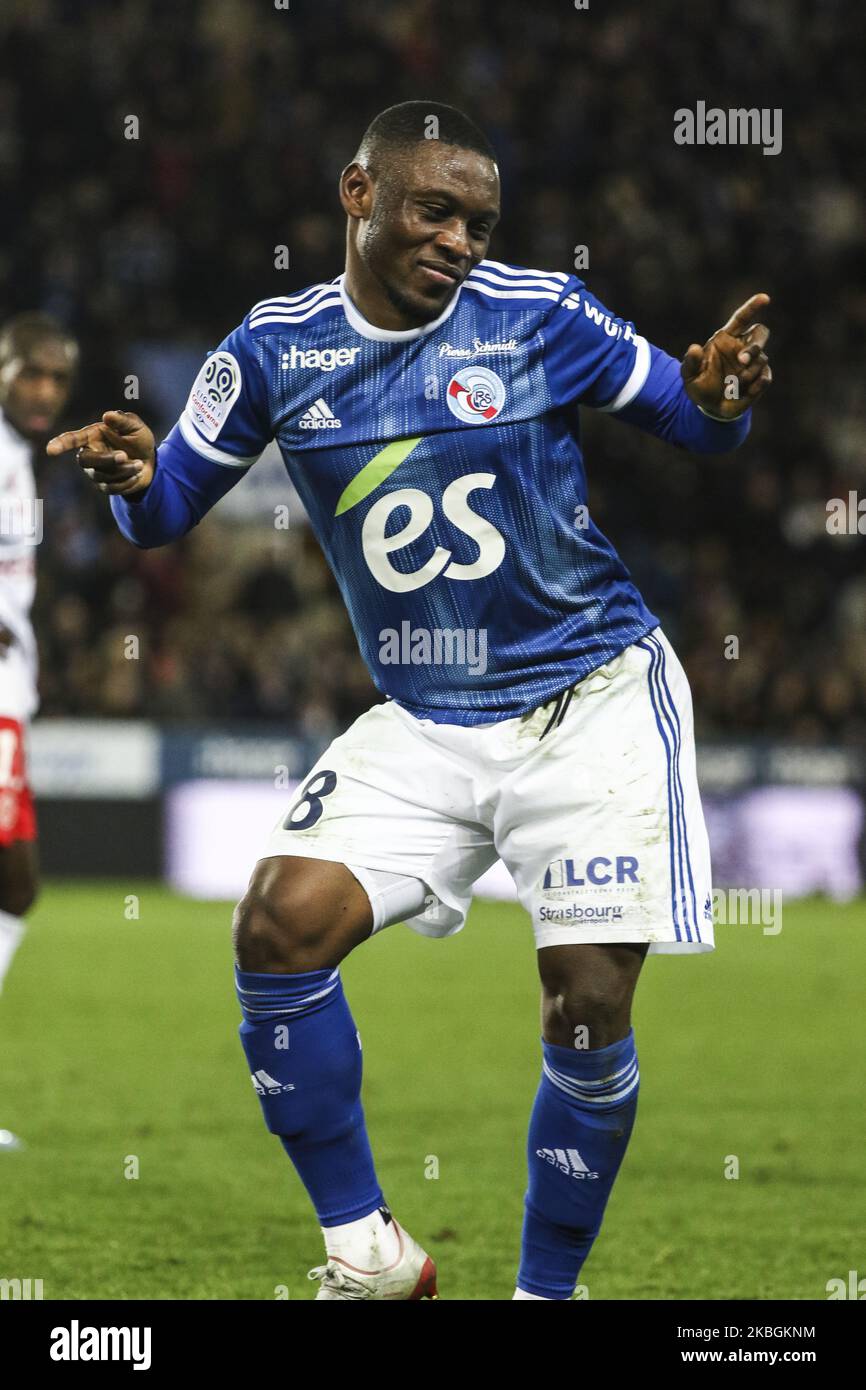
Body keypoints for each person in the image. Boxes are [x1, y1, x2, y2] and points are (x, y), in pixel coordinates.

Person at [48, 101, 771, 1299]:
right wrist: (128, 482)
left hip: (586, 696)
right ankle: (367, 1252)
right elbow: (164, 505)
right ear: (358, 195)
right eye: (433, 209)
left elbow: (691, 416)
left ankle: (546, 1293)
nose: (458, 239)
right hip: (425, 716)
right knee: (278, 924)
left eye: (477, 221)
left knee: (584, 1006)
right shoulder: (275, 348)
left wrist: (728, 400)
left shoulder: (541, 315)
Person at [0, 313, 78, 1153]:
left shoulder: (23, 463)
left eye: (58, 379)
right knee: (14, 882)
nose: (43, 391)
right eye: (30, 373)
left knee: (16, 887)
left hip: (9, 699)